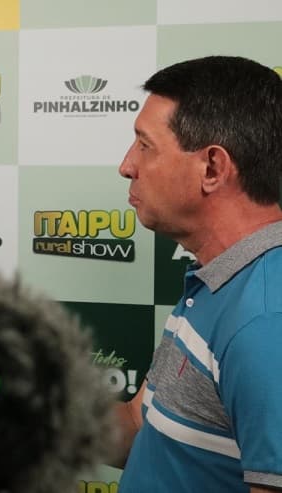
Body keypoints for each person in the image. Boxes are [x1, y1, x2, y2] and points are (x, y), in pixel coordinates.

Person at [113, 56, 282, 492]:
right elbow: (138, 426)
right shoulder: (215, 281)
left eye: (145, 145)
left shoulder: (265, 322)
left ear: (212, 168)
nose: (127, 165)